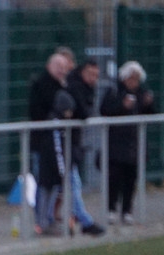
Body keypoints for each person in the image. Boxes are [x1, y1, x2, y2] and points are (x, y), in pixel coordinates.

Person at [99, 61, 154, 225]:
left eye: (136, 79)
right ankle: (111, 209)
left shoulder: (142, 93)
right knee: (114, 178)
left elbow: (151, 114)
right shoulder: (114, 91)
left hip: (134, 144)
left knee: (131, 179)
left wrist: (148, 104)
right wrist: (122, 106)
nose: (133, 82)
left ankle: (127, 210)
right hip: (116, 143)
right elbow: (105, 110)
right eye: (131, 78)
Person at [27, 48, 74, 234]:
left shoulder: (63, 86)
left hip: (57, 144)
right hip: (43, 143)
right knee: (43, 182)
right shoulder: (42, 85)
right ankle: (41, 222)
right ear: (49, 66)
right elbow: (38, 111)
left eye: (64, 67)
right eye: (58, 66)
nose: (62, 70)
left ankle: (48, 219)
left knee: (54, 182)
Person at [64, 59, 105, 236]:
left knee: (69, 184)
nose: (93, 79)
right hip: (62, 142)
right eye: (90, 74)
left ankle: (71, 221)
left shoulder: (86, 88)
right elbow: (83, 111)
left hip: (71, 141)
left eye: (96, 75)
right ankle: (83, 221)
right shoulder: (74, 87)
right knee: (69, 184)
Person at [34, 89, 75, 236]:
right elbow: (57, 150)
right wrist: (62, 171)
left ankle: (46, 222)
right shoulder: (55, 125)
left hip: (51, 167)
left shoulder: (58, 124)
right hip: (50, 168)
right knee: (46, 193)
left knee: (51, 193)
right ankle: (43, 224)